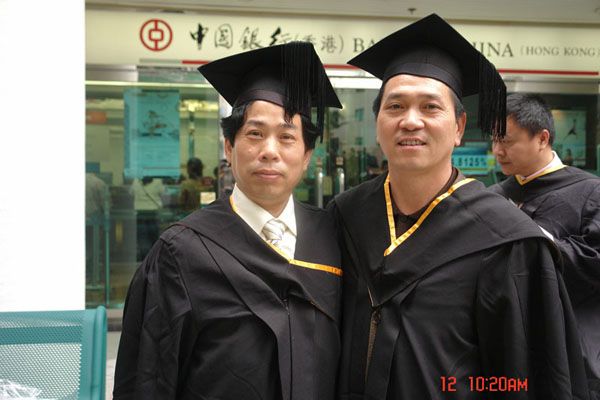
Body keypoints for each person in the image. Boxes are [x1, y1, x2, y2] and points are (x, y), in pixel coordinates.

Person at [328, 14, 589, 399]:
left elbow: (528, 376)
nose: (410, 121)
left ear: (459, 127)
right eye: (395, 106)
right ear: (378, 123)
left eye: (430, 107)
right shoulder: (346, 216)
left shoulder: (507, 239)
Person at [113, 41, 343, 400]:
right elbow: (147, 379)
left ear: (307, 156)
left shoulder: (333, 238)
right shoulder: (181, 253)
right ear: (229, 147)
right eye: (255, 134)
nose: (269, 151)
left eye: (286, 137)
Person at [490, 93, 600, 399]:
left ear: (542, 138)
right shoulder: (493, 197)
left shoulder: (590, 193)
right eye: (494, 141)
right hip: (508, 341)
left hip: (573, 344)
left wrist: (537, 238)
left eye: (506, 141)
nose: (497, 151)